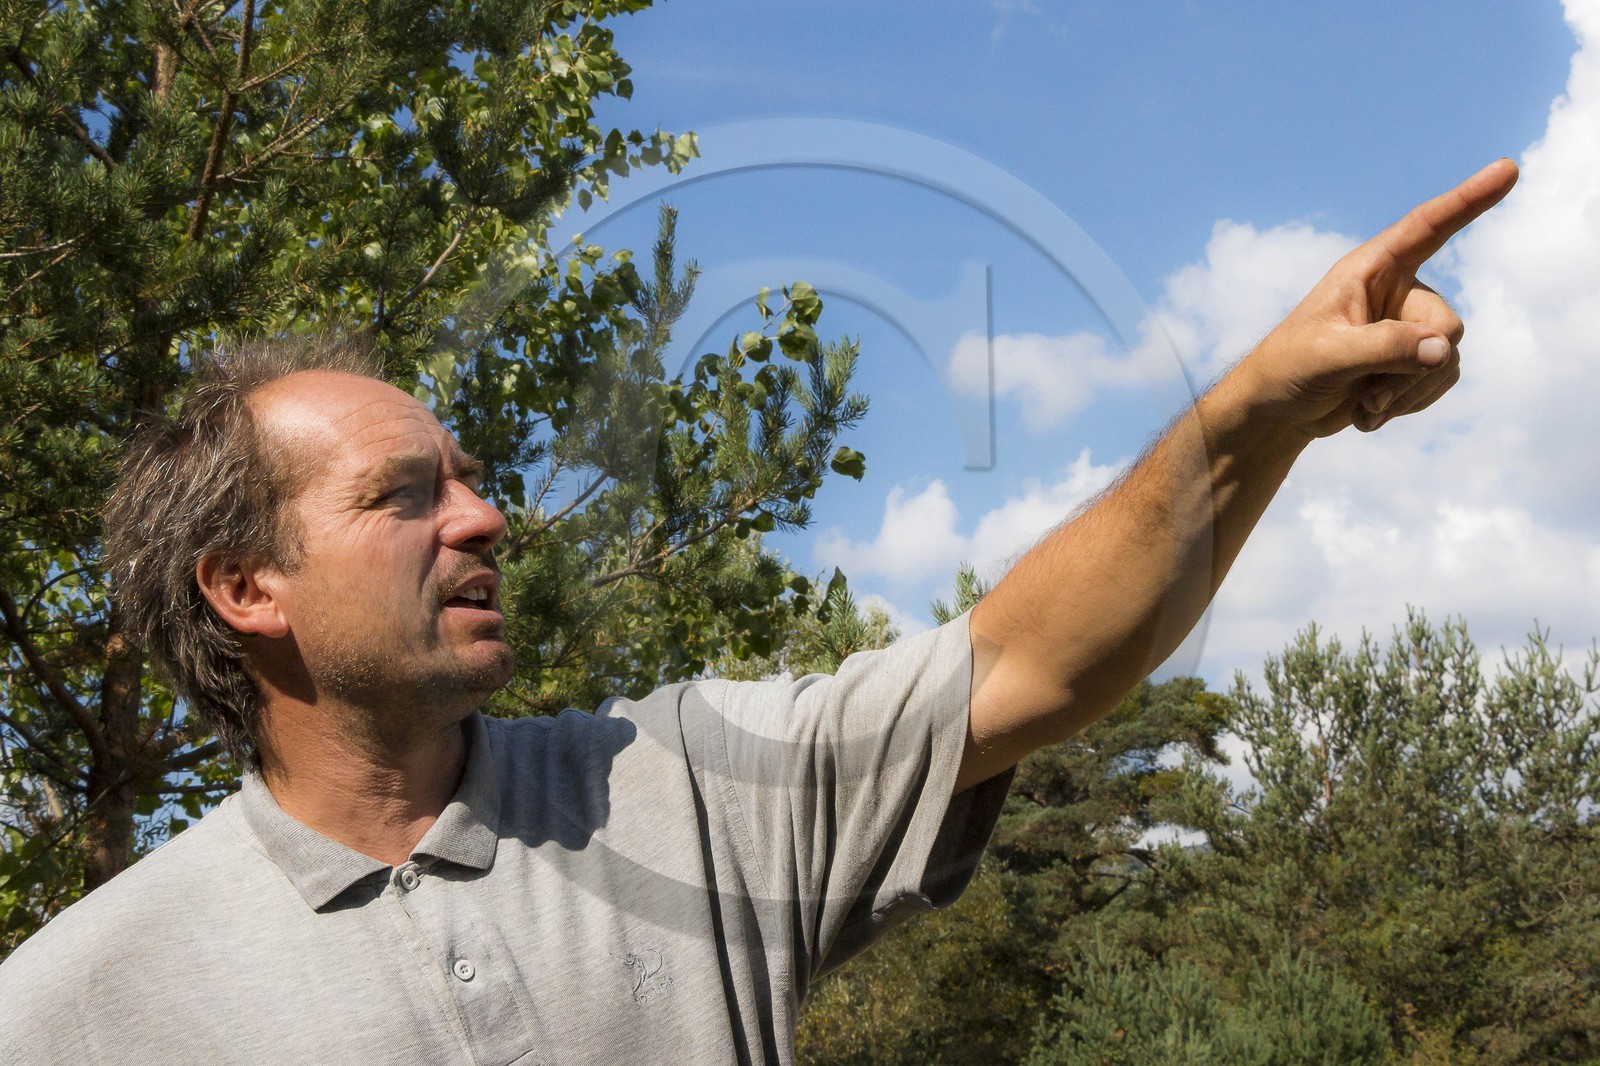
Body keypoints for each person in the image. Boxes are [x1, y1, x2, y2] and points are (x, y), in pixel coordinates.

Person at [0, 159, 1518, 1063]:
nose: (485, 515)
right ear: (243, 587)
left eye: (471, 477)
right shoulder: (78, 1001)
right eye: (403, 495)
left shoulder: (680, 793)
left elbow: (1033, 659)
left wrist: (1262, 402)